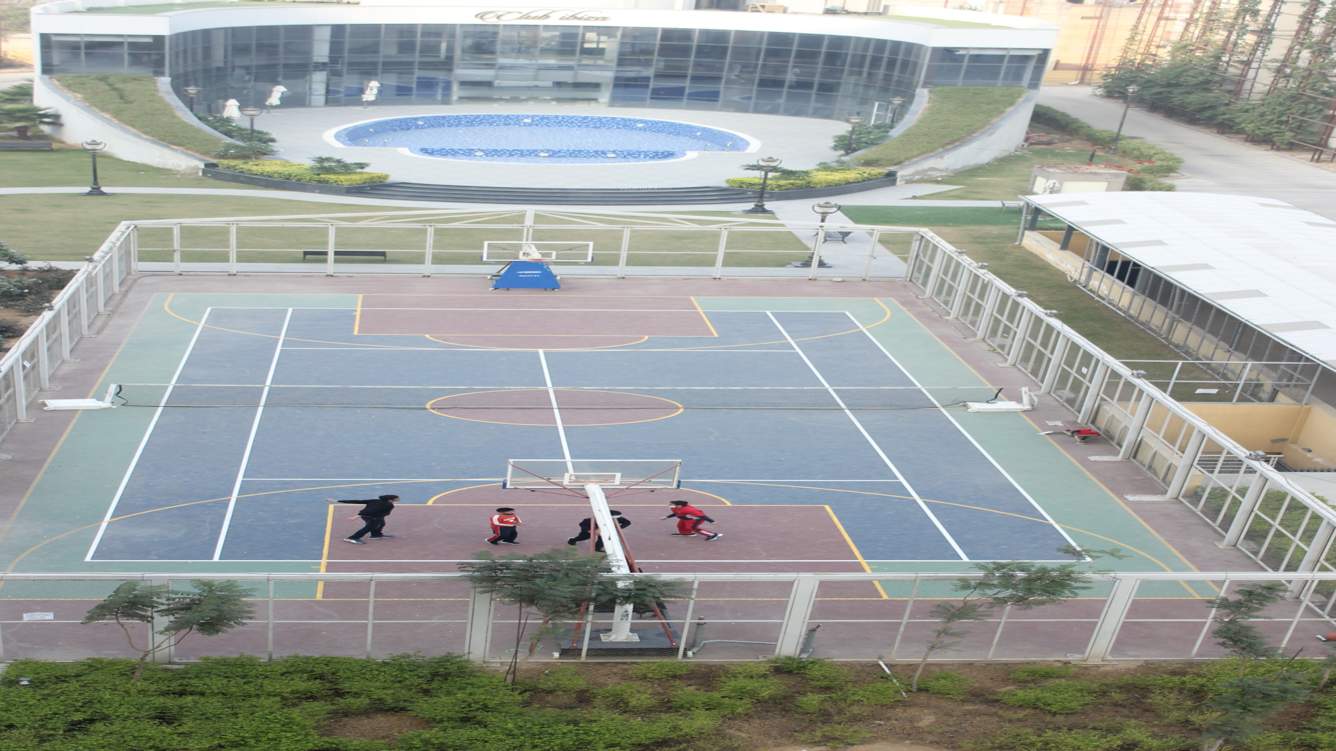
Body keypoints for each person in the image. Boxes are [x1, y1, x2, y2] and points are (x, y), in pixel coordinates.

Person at [329, 494, 398, 544]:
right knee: (369, 527)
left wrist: (339, 501)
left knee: (382, 523)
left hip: (371, 515)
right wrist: (358, 516)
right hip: (370, 516)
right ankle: (352, 538)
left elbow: (357, 501)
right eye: (396, 498)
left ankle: (375, 535)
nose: (398, 499)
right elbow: (374, 511)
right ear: (390, 500)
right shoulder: (389, 505)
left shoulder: (374, 500)